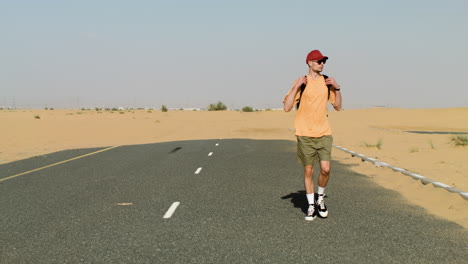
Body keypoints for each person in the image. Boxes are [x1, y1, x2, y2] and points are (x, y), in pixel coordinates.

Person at [283, 50, 342, 221]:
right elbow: (287, 107)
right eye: (318, 61)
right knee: (308, 170)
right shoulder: (301, 82)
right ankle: (311, 205)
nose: (322, 64)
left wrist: (337, 88)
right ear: (309, 63)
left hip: (324, 132)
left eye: (323, 61)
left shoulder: (326, 82)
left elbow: (338, 106)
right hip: (305, 132)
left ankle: (320, 199)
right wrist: (296, 87)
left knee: (326, 169)